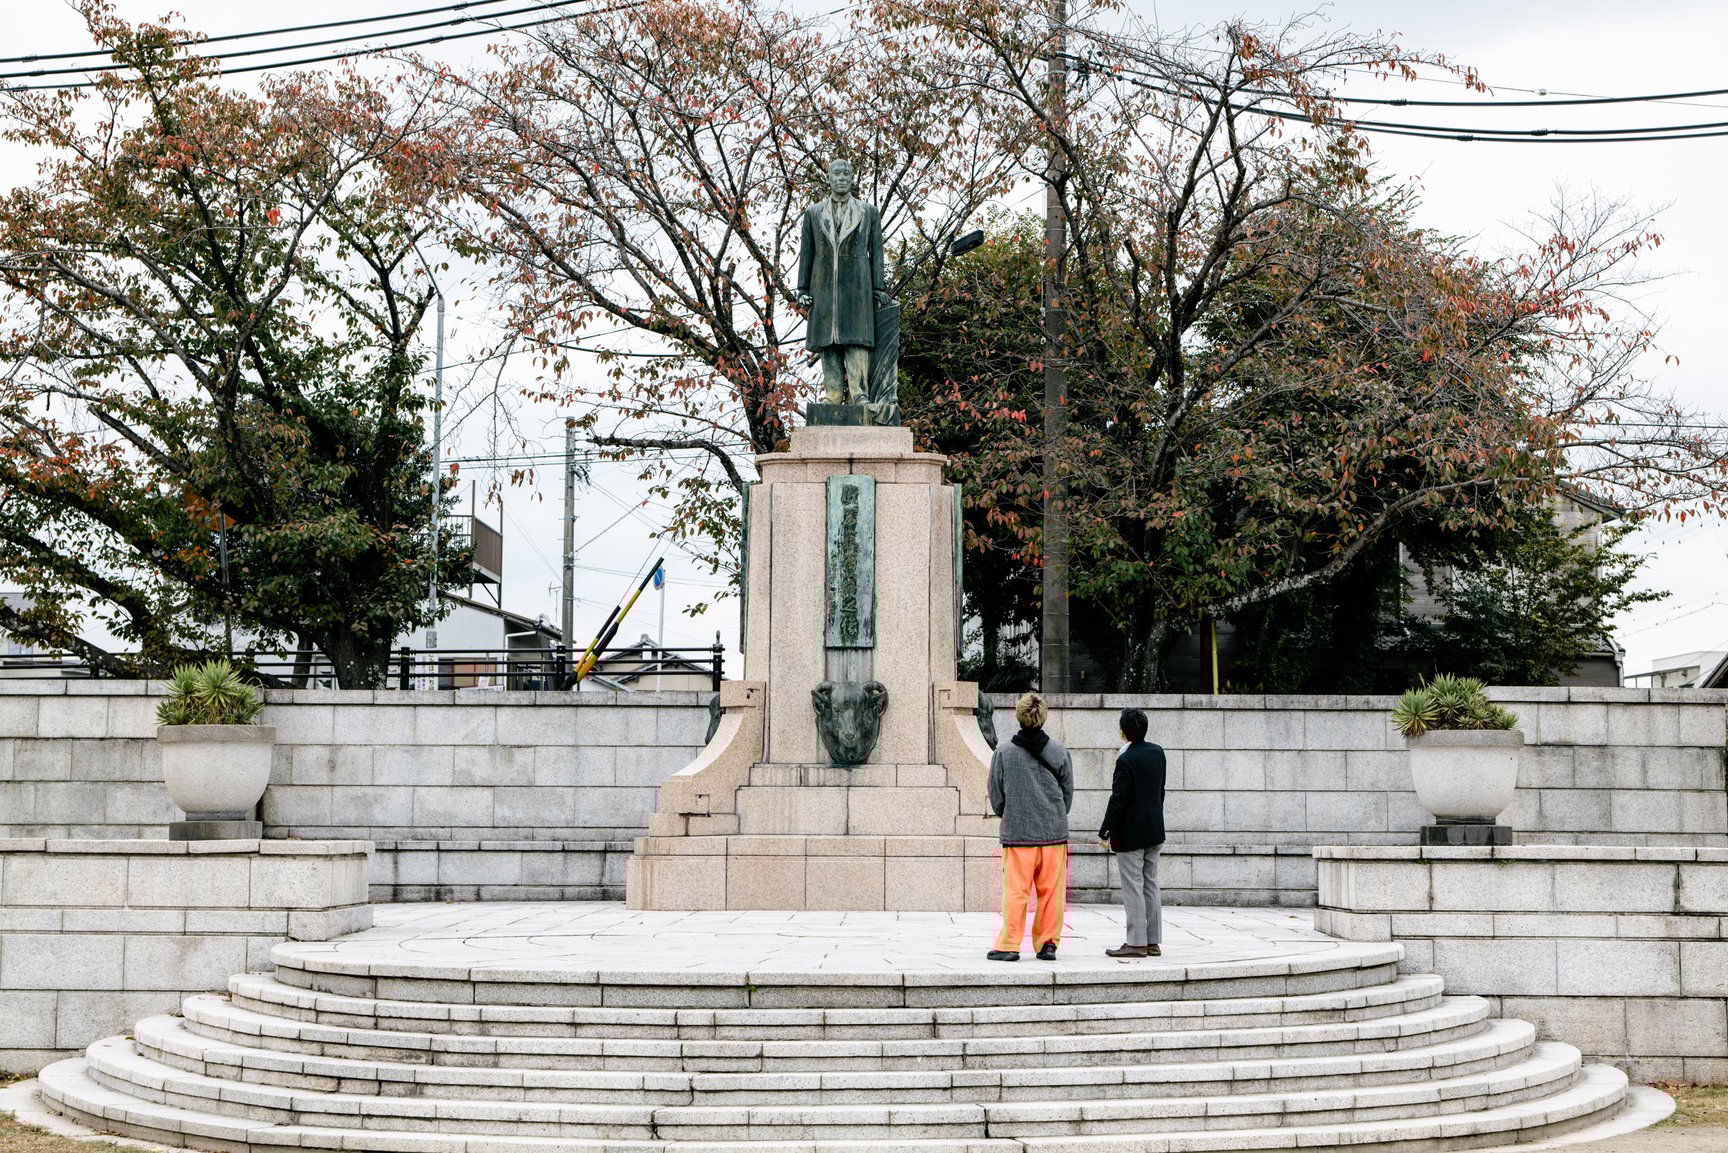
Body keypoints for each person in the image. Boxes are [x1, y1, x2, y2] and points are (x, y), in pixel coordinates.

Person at [986, 691, 1074, 961]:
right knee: (1051, 893)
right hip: (1053, 834)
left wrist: (1008, 813)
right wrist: (1055, 815)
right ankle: (1048, 943)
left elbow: (996, 793)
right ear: (1043, 717)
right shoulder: (1059, 751)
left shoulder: (1003, 753)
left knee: (1016, 891)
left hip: (1019, 834)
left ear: (1019, 716)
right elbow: (1067, 793)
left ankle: (1010, 944)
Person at [795, 158, 889, 405]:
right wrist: (802, 289)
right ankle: (833, 394)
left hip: (858, 286)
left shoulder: (868, 212)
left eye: (846, 174)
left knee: (856, 340)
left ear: (852, 179)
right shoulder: (813, 213)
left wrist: (878, 287)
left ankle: (860, 394)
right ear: (829, 178)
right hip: (822, 286)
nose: (841, 178)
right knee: (829, 342)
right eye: (837, 174)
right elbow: (807, 252)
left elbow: (877, 251)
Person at [1098, 706, 1167, 958]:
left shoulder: (1125, 760)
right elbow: (1160, 791)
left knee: (1133, 887)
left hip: (1130, 833)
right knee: (1150, 884)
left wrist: (1104, 830)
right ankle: (1152, 941)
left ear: (1124, 732)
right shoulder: (1158, 753)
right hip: (1154, 828)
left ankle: (1136, 943)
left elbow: (1118, 799)